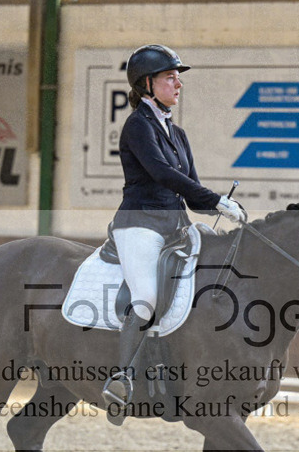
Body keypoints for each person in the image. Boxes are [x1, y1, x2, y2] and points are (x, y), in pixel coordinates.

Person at [101, 44, 245, 416]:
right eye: (170, 77)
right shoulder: (138, 126)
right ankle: (121, 379)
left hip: (174, 225)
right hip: (139, 224)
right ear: (147, 84)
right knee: (146, 297)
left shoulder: (177, 134)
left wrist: (221, 206)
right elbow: (163, 174)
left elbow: (190, 190)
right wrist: (216, 200)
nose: (178, 84)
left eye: (177, 78)